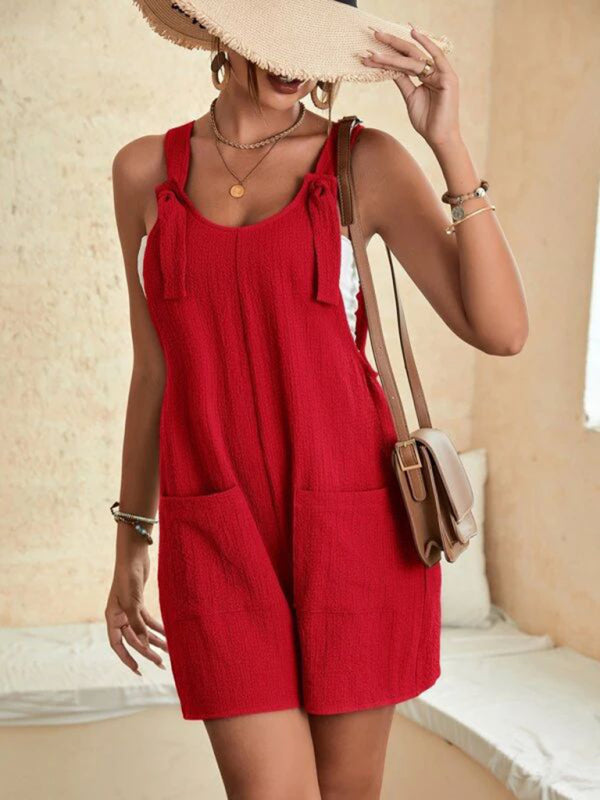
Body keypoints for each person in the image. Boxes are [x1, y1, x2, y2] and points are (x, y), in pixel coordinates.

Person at [105, 1, 528, 797]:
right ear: (226, 30)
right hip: (216, 532)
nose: (294, 62)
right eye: (277, 36)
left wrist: (447, 143)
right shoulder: (142, 174)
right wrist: (133, 540)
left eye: (315, 44)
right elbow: (153, 370)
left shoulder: (364, 163)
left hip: (354, 528)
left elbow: (502, 331)